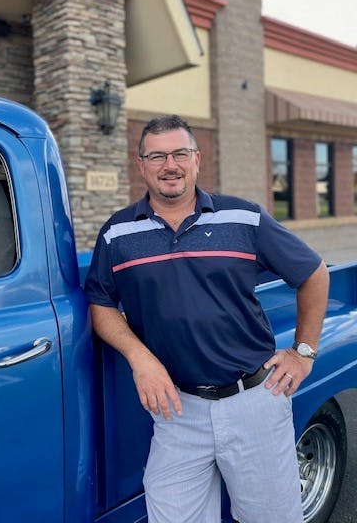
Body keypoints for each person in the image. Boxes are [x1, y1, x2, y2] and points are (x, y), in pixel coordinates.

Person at [84, 115, 329, 523]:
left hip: (253, 401)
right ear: (141, 165)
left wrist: (303, 352)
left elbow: (314, 274)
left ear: (197, 160)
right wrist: (140, 358)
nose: (170, 165)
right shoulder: (117, 233)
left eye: (180, 153)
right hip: (176, 410)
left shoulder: (244, 218)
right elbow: (101, 303)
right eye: (157, 156)